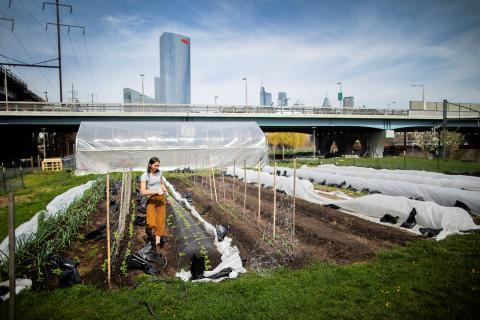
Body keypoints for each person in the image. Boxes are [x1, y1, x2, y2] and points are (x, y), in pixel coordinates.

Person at [140, 157, 169, 251]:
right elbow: (143, 191)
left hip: (161, 198)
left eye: (158, 165)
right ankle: (148, 231)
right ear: (150, 165)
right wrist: (156, 191)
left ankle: (157, 244)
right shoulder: (145, 176)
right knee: (150, 223)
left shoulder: (159, 173)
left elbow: (161, 183)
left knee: (160, 221)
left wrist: (166, 192)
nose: (157, 167)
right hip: (151, 198)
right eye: (155, 165)